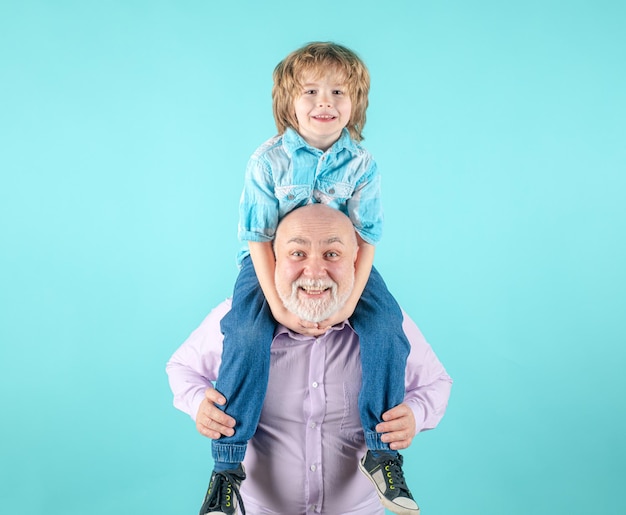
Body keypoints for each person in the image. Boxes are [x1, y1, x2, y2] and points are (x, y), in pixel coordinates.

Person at [213, 41, 416, 514]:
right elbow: (257, 238)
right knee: (244, 333)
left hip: (343, 268)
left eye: (338, 92)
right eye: (310, 91)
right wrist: (279, 306)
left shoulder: (363, 164)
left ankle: (382, 456)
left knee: (387, 328)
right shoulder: (267, 161)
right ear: (288, 102)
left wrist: (348, 303)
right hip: (272, 266)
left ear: (355, 102)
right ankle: (226, 468)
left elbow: (366, 237)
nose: (325, 102)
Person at [167, 204, 453, 515]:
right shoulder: (238, 323)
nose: (315, 272)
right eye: (297, 254)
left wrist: (416, 414)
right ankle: (225, 471)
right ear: (272, 260)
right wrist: (198, 404)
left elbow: (436, 382)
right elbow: (181, 367)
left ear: (355, 261)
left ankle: (383, 460)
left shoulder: (385, 328)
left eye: (332, 254)